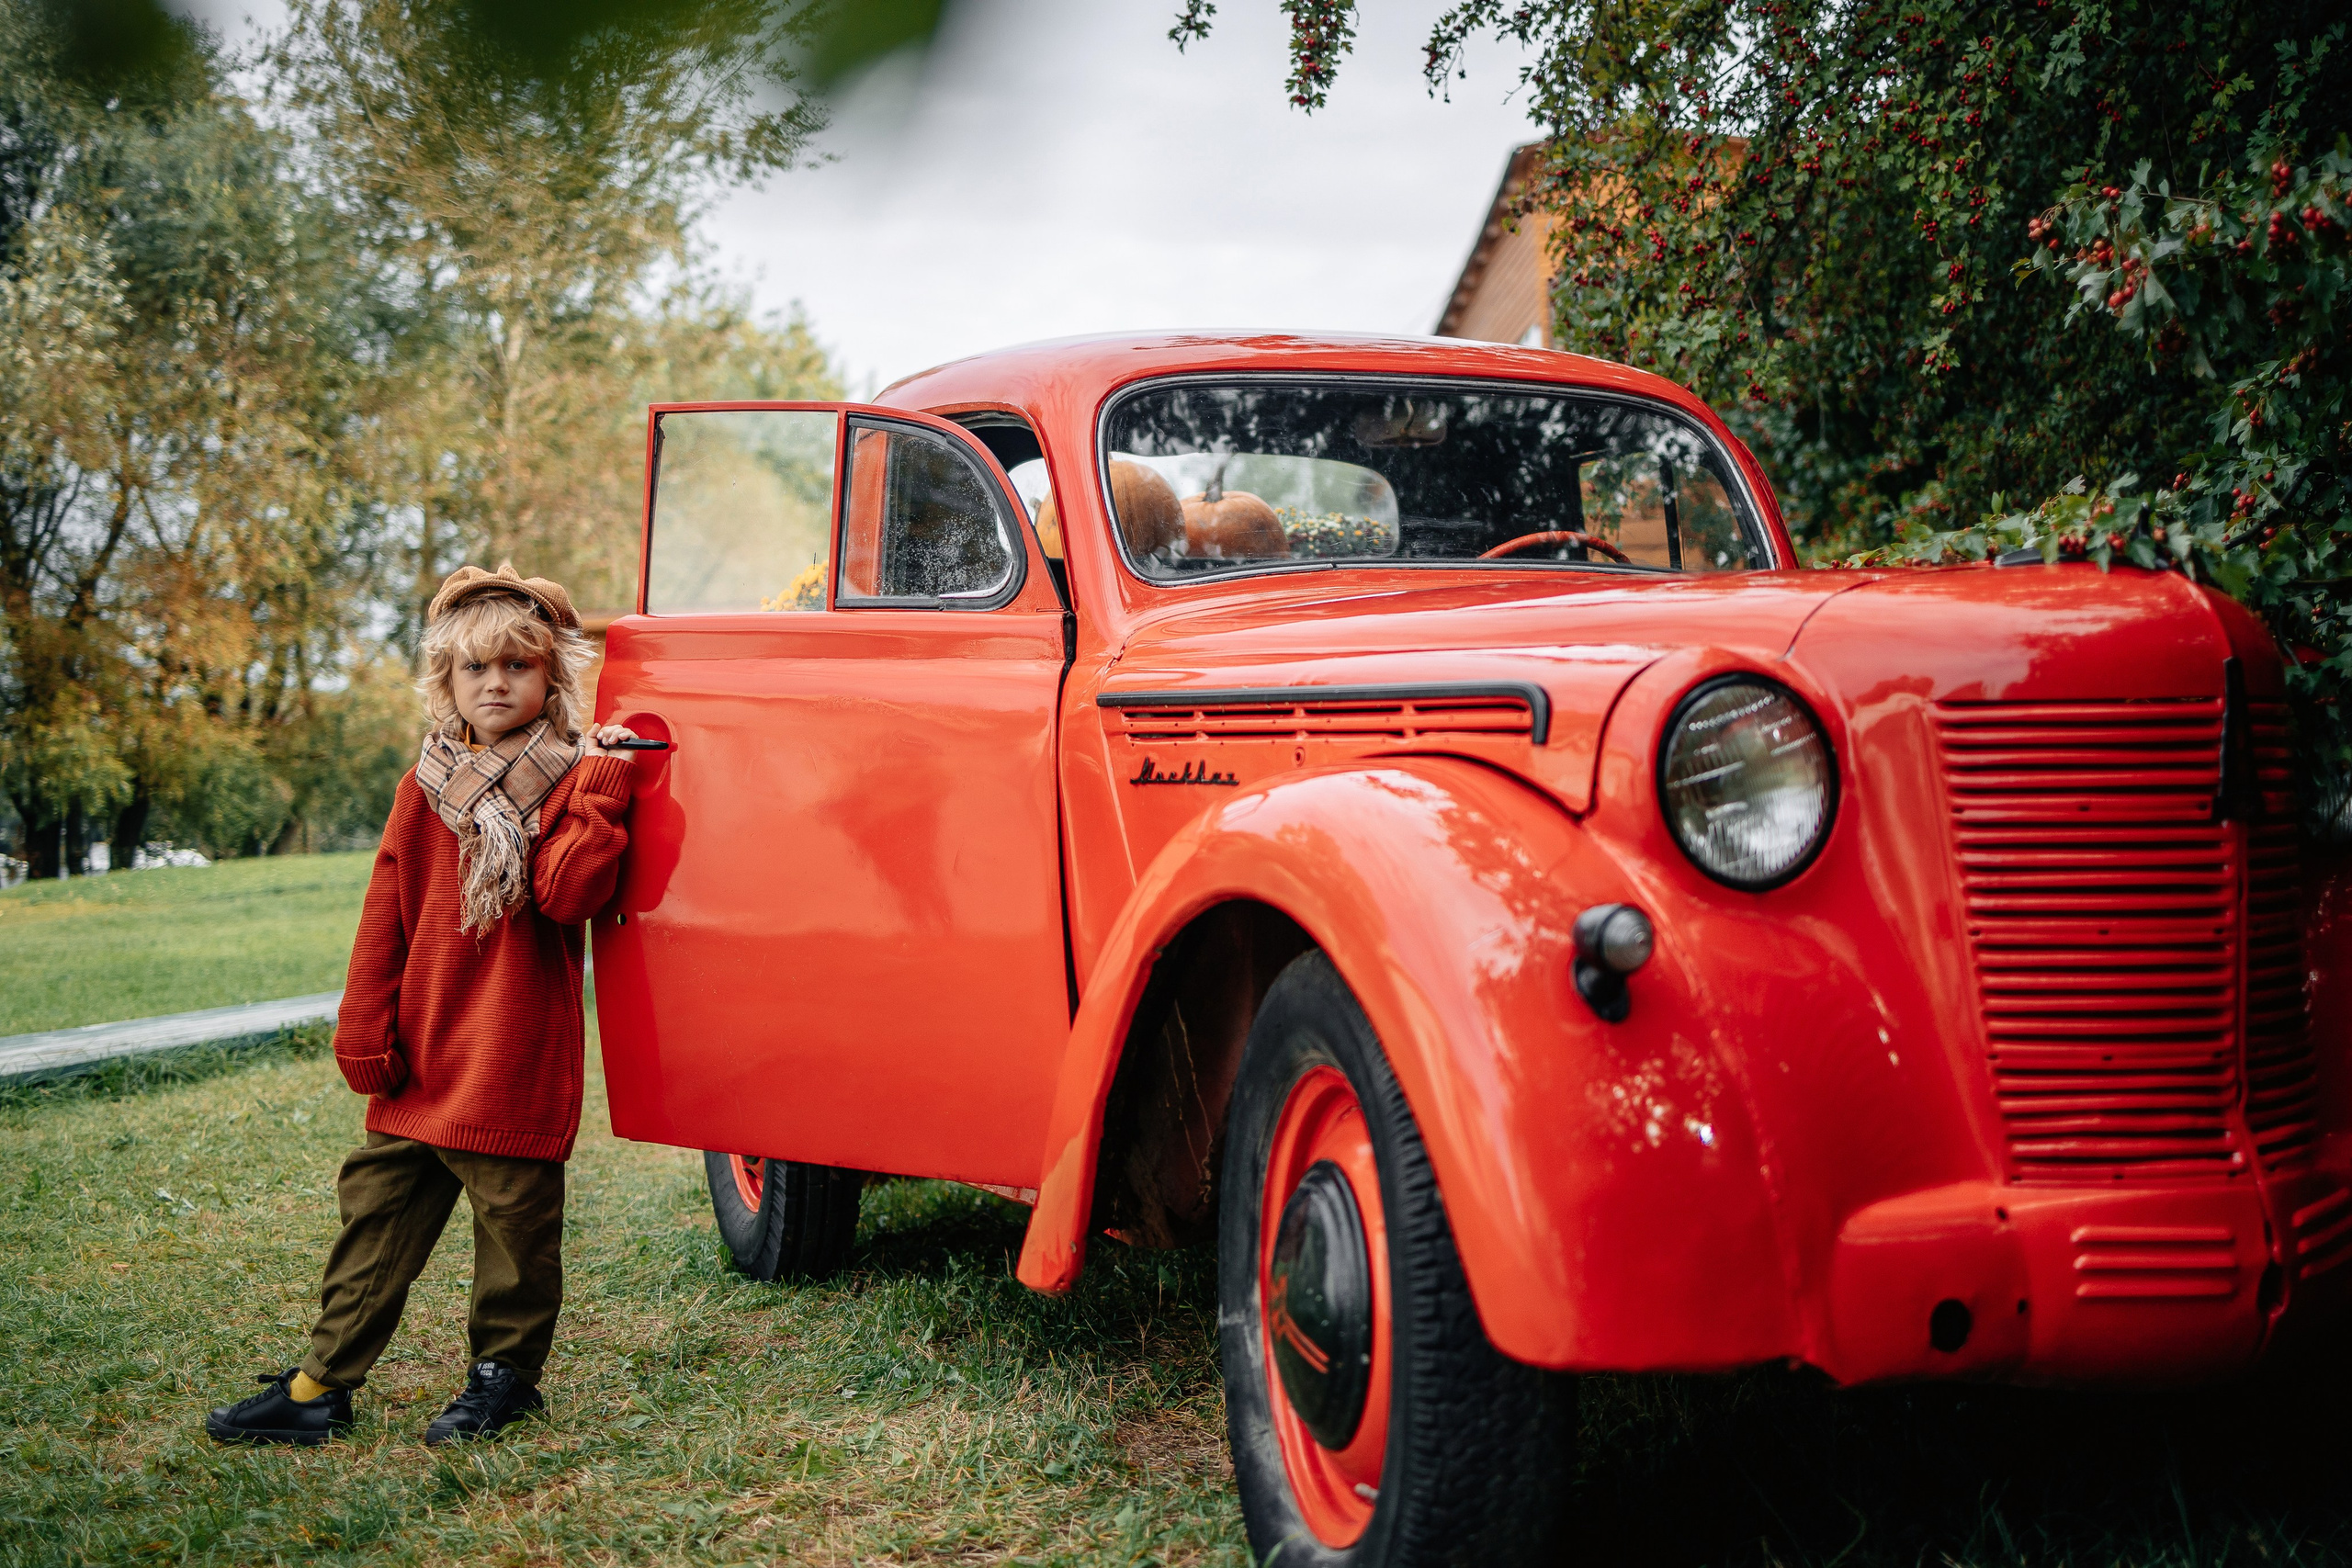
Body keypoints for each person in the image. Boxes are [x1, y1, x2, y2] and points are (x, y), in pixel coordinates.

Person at [205, 563, 641, 1447]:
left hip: (512, 1051)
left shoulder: (569, 781)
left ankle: (503, 1380)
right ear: (444, 681)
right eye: (474, 669)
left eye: (517, 667)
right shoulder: (424, 786)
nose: (495, 683)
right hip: (422, 1047)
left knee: (515, 1236)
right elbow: (386, 911)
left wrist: (600, 793)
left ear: (551, 677)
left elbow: (565, 897)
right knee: (376, 1217)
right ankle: (318, 1386)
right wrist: (364, 1022)